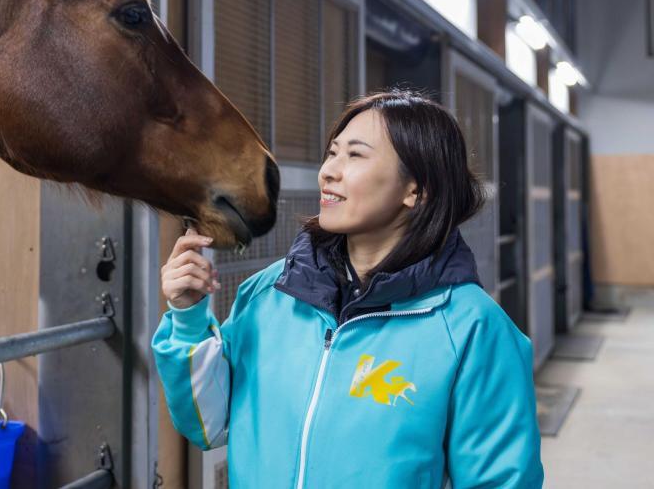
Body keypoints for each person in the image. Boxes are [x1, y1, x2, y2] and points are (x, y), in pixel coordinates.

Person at [152, 89, 543, 488]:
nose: (328, 171)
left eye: (355, 155)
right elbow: (207, 425)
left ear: (416, 190)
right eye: (333, 152)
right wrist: (187, 319)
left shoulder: (472, 329)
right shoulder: (270, 293)